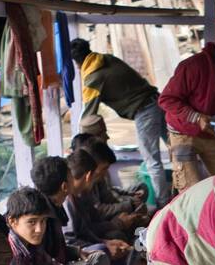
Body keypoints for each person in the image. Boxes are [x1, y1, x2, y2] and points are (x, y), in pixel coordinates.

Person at [69, 39, 168, 207]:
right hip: (156, 100)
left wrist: (79, 144)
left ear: (77, 65)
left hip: (144, 109)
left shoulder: (93, 76)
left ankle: (163, 206)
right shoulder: (105, 59)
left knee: (152, 162)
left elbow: (88, 114)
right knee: (177, 151)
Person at [158, 16, 215, 193]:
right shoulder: (193, 65)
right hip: (182, 131)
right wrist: (196, 117)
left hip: (210, 133)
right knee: (190, 189)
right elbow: (166, 99)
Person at [30, 155, 118, 265]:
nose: (74, 178)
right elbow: (47, 261)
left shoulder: (55, 205)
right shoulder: (43, 215)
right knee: (101, 254)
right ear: (64, 186)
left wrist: (77, 252)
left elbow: (59, 247)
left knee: (101, 252)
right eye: (70, 176)